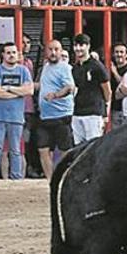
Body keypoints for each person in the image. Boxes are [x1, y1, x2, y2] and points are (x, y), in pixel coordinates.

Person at [0, 42, 34, 179]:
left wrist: (7, 88)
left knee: (16, 150)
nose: (11, 55)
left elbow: (29, 90)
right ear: (3, 55)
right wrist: (19, 92)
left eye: (14, 52)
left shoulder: (23, 70)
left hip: (16, 117)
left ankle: (16, 179)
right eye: (8, 53)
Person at [37, 40, 75, 180]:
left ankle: (65, 177)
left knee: (65, 150)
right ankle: (50, 179)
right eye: (50, 49)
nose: (53, 53)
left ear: (61, 51)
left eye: (56, 49)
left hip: (62, 115)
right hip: (45, 115)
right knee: (43, 149)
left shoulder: (65, 68)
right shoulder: (45, 67)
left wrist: (56, 95)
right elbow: (43, 85)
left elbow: (69, 87)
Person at [71, 34, 111, 143]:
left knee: (93, 145)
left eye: (81, 45)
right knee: (78, 146)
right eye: (75, 45)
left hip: (93, 113)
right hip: (77, 112)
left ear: (88, 46)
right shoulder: (75, 68)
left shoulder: (97, 66)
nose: (78, 48)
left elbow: (107, 90)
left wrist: (104, 112)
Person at [108, 42, 127, 127]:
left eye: (121, 52)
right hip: (115, 108)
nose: (119, 54)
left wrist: (114, 72)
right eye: (116, 52)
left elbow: (124, 84)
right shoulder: (109, 67)